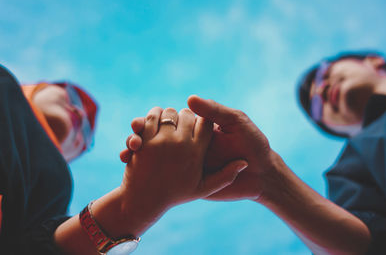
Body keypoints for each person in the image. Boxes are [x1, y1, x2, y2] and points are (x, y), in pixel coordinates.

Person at [122, 51, 386, 254]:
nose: (322, 90)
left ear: (374, 61)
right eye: (317, 109)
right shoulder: (353, 166)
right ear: (332, 127)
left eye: (325, 73)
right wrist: (269, 182)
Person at [0, 64, 245, 254]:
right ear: (34, 87)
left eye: (84, 134)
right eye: (72, 98)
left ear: (71, 156)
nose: (79, 114)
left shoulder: (55, 193)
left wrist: (136, 204)